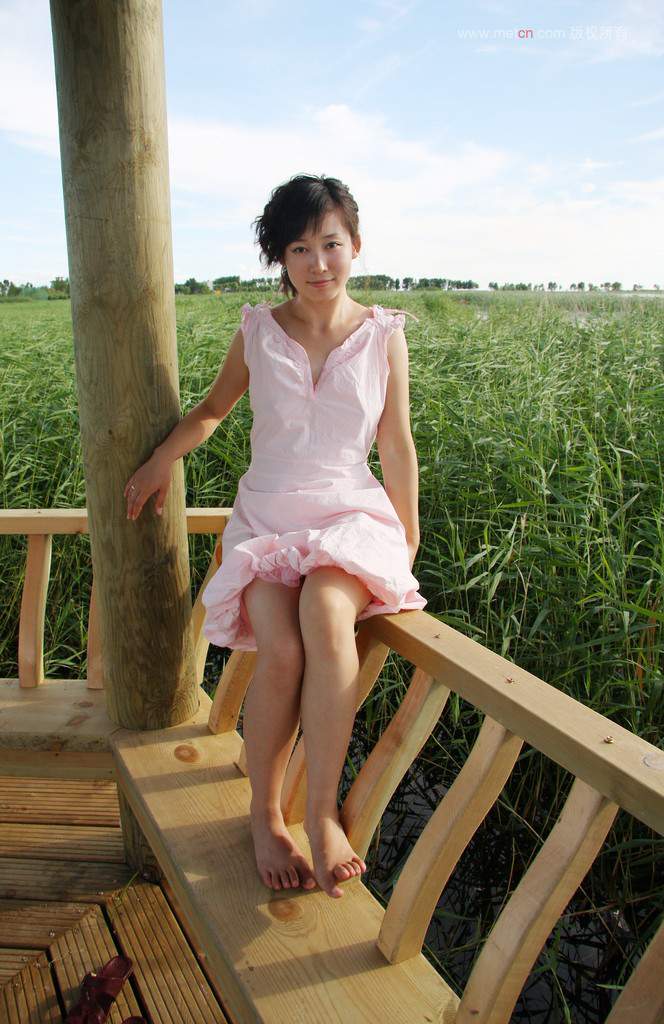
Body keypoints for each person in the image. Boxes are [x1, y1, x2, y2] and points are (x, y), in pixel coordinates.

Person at [123, 173, 427, 900]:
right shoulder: (258, 329)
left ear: (356, 245)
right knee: (281, 651)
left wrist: (407, 534)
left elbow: (396, 443)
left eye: (331, 244)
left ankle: (319, 814)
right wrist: (160, 459)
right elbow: (212, 410)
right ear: (280, 257)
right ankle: (265, 815)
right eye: (299, 249)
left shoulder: (383, 335)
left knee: (326, 611)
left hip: (350, 515)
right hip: (267, 517)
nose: (318, 263)